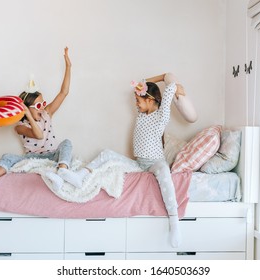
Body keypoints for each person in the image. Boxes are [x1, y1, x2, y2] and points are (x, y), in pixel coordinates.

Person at [62, 73, 185, 247]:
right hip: (138, 164)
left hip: (155, 162)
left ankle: (174, 221)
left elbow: (170, 87)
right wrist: (147, 84)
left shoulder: (161, 116)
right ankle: (80, 175)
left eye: (138, 100)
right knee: (107, 154)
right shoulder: (142, 114)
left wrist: (166, 77)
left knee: (165, 172)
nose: (136, 103)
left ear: (150, 100)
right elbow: (141, 84)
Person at [0, 47, 76, 193]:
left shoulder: (47, 114)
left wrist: (68, 66)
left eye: (43, 103)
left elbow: (64, 93)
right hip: (33, 158)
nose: (42, 107)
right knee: (8, 157)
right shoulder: (20, 126)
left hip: (52, 155)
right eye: (38, 105)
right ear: (27, 108)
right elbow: (38, 135)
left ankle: (62, 173)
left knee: (67, 143)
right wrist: (29, 116)